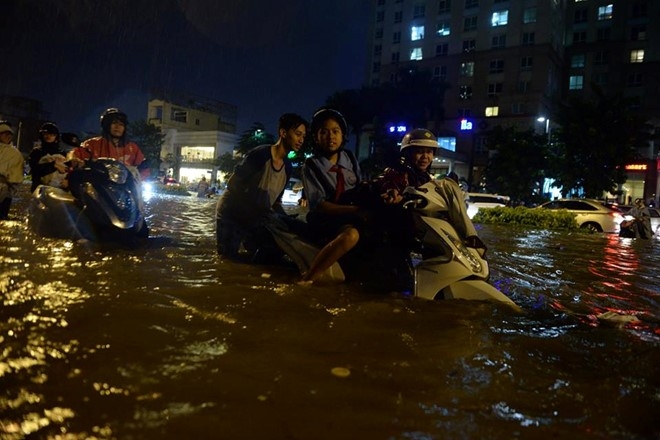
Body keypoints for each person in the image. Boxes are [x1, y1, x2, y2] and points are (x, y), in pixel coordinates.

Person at [215, 112, 308, 261]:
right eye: (298, 134)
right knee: (227, 260)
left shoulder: (288, 167)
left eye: (303, 136)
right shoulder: (261, 155)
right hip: (231, 213)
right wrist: (255, 208)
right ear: (283, 133)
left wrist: (287, 220)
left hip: (255, 218)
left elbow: (276, 203)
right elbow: (233, 184)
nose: (301, 140)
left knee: (269, 253)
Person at [299, 108, 367, 284]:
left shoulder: (350, 159)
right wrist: (354, 210)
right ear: (316, 137)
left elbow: (361, 187)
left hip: (353, 214)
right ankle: (308, 278)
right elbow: (319, 205)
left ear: (343, 135)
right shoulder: (311, 166)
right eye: (324, 132)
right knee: (351, 235)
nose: (331, 137)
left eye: (335, 131)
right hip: (326, 219)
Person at [69, 108, 150, 180]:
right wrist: (75, 160)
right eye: (114, 123)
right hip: (98, 187)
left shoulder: (132, 148)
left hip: (125, 190)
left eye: (121, 124)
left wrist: (139, 178)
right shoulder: (91, 144)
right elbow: (75, 155)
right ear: (106, 125)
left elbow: (143, 168)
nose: (117, 127)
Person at [28, 122, 69, 192]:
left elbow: (68, 170)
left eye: (52, 134)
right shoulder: (37, 152)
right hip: (40, 190)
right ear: (42, 135)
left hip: (59, 190)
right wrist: (53, 165)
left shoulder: (63, 153)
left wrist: (68, 180)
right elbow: (35, 170)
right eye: (46, 134)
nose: (48, 136)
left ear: (56, 136)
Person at [0, 121, 25, 220]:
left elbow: (17, 175)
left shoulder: (15, 154)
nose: (7, 136)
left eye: (9, 134)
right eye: (4, 134)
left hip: (5, 193)